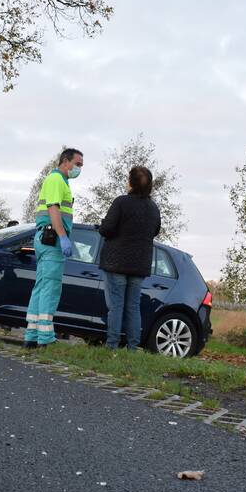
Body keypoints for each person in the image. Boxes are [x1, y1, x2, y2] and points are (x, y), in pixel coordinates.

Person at [97, 165, 161, 350]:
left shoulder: (121, 202)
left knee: (116, 306)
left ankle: (112, 345)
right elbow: (155, 231)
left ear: (131, 183)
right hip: (139, 264)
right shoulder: (153, 208)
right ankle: (133, 347)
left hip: (116, 262)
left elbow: (107, 229)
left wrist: (103, 225)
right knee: (133, 307)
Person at [24, 148, 82, 349]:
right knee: (51, 287)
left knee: (41, 286)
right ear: (65, 161)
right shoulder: (57, 180)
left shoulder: (57, 181)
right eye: (77, 164)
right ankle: (45, 338)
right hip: (53, 240)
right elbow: (53, 209)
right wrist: (63, 237)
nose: (79, 168)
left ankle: (32, 334)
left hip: (45, 238)